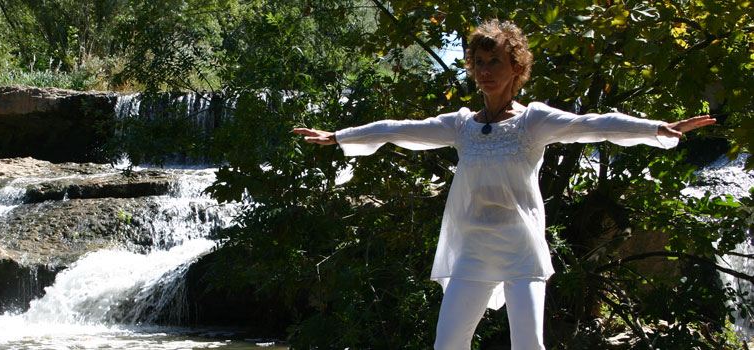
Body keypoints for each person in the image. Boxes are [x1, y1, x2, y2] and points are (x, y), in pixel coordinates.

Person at [292, 19, 715, 350]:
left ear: (517, 68)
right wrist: (339, 136)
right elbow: (399, 128)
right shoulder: (461, 125)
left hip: (520, 250)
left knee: (529, 344)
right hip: (472, 251)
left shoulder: (534, 121)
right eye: (479, 62)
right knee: (448, 343)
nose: (485, 71)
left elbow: (594, 125)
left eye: (494, 61)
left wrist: (659, 128)